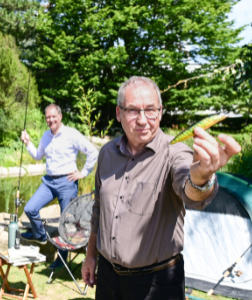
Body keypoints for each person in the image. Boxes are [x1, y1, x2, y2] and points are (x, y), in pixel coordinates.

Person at [82, 76, 242, 299]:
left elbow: (191, 190)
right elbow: (99, 210)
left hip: (157, 284)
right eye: (133, 110)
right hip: (108, 278)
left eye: (150, 110)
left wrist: (201, 178)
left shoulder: (175, 152)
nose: (142, 120)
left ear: (160, 112)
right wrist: (90, 256)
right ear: (119, 114)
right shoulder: (107, 153)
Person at [18, 103, 98, 268]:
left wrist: (83, 173)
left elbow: (93, 151)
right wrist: (27, 143)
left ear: (60, 117)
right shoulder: (46, 136)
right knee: (30, 208)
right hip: (49, 182)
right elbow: (38, 156)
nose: (51, 120)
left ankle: (62, 261)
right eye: (48, 117)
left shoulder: (71, 134)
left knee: (66, 222)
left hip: (67, 182)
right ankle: (40, 236)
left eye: (54, 116)